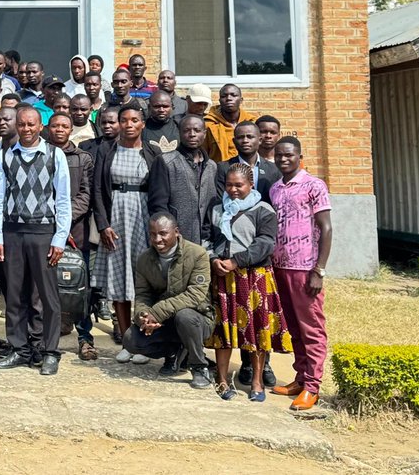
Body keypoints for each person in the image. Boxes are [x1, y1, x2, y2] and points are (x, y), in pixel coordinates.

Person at [0, 105, 71, 375]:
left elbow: (63, 200)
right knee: (14, 295)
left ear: (40, 126)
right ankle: (20, 349)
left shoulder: (54, 155)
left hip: (43, 232)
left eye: (31, 125)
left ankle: (49, 351)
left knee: (47, 297)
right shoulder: (4, 156)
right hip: (12, 231)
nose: (26, 130)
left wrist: (59, 239)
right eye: (21, 125)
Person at [202, 163, 291, 401]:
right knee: (224, 331)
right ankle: (222, 380)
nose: (233, 190)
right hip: (223, 278)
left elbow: (265, 244)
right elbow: (206, 237)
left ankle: (257, 382)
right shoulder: (217, 209)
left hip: (254, 277)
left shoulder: (263, 210)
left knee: (256, 331)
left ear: (251, 185)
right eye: (229, 185)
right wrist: (213, 259)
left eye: (239, 185)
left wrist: (236, 261)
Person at [269, 137, 333, 411]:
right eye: (279, 155)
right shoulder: (275, 188)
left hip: (305, 268)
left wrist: (319, 269)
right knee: (293, 328)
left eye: (289, 155)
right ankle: (300, 377)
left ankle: (312, 387)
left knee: (311, 328)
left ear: (299, 156)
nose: (284, 159)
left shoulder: (314, 186)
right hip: (280, 266)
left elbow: (326, 228)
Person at [120, 212, 215, 389]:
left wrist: (157, 312)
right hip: (163, 322)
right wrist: (143, 317)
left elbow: (196, 294)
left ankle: (199, 366)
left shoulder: (197, 254)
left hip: (197, 319)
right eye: (153, 234)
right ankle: (173, 352)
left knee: (185, 316)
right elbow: (142, 294)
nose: (157, 239)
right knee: (130, 340)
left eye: (163, 233)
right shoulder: (144, 260)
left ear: (176, 232)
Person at [94, 106, 161, 345]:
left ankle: (146, 337)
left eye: (135, 120)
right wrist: (103, 225)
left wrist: (158, 229)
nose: (129, 124)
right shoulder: (107, 150)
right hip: (116, 220)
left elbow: (159, 191)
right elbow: (98, 191)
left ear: (143, 123)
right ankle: (126, 339)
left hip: (143, 220)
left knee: (145, 280)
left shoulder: (152, 152)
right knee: (119, 279)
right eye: (124, 120)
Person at [44, 112, 97, 360]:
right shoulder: (39, 154)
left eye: (65, 126)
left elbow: (86, 195)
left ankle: (85, 338)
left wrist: (62, 220)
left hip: (75, 231)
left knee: (79, 288)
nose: (60, 130)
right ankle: (48, 336)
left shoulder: (83, 158)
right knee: (46, 286)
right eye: (55, 126)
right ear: (48, 128)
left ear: (71, 129)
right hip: (44, 231)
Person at [147, 114, 215, 246]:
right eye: (186, 130)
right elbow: (158, 205)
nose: (192, 134)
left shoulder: (212, 166)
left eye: (197, 130)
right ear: (179, 133)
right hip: (176, 240)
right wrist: (168, 234)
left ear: (204, 134)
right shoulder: (166, 162)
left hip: (206, 241)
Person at [214, 121, 281, 202]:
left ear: (259, 140)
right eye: (240, 137)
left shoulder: (274, 169)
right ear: (234, 142)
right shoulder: (223, 168)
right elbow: (221, 200)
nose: (245, 140)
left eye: (250, 137)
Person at [203, 84, 254, 162]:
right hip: (218, 171)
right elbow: (203, 154)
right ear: (219, 100)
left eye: (233, 95)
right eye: (224, 96)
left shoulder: (251, 123)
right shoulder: (208, 125)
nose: (229, 98)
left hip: (247, 171)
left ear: (241, 100)